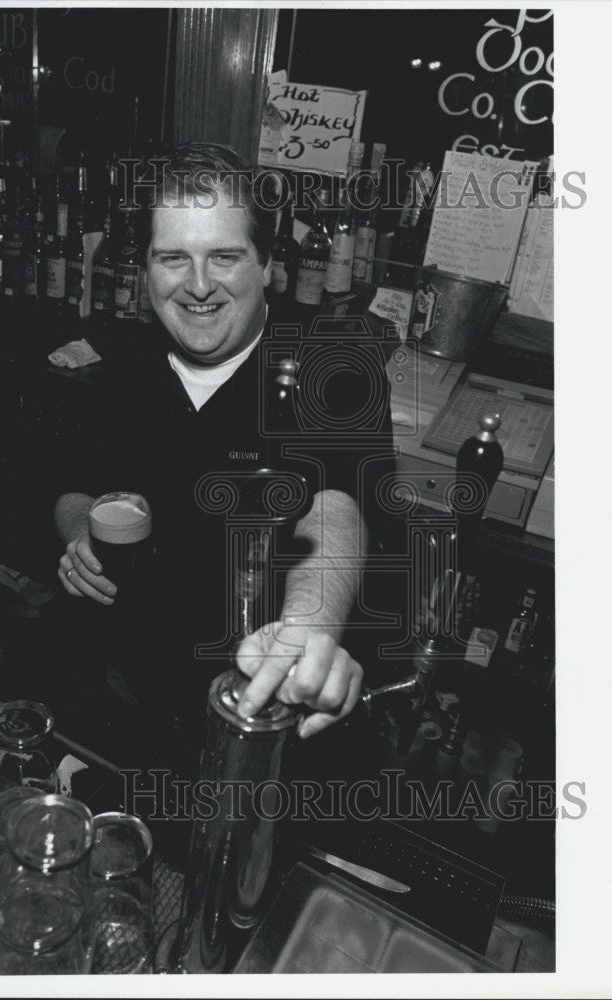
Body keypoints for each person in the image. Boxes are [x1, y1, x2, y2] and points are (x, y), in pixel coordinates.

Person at [54, 142, 394, 742]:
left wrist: (307, 628)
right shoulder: (126, 362)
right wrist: (79, 527)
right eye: (173, 259)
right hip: (135, 695)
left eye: (225, 257)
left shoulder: (334, 362)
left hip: (269, 711)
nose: (199, 285)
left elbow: (339, 504)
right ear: (146, 270)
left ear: (267, 265)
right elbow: (73, 482)